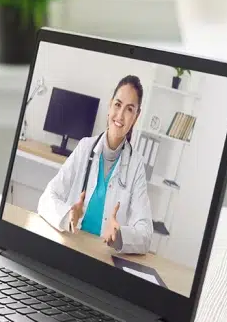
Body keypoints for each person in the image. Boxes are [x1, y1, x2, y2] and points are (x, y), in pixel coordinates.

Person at [37, 75, 153, 255]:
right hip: (71, 245)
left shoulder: (136, 165)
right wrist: (68, 214)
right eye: (117, 104)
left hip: (103, 257)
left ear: (136, 117)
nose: (120, 115)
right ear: (110, 106)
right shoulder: (85, 147)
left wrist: (120, 235)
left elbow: (145, 233)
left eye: (129, 109)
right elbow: (46, 198)